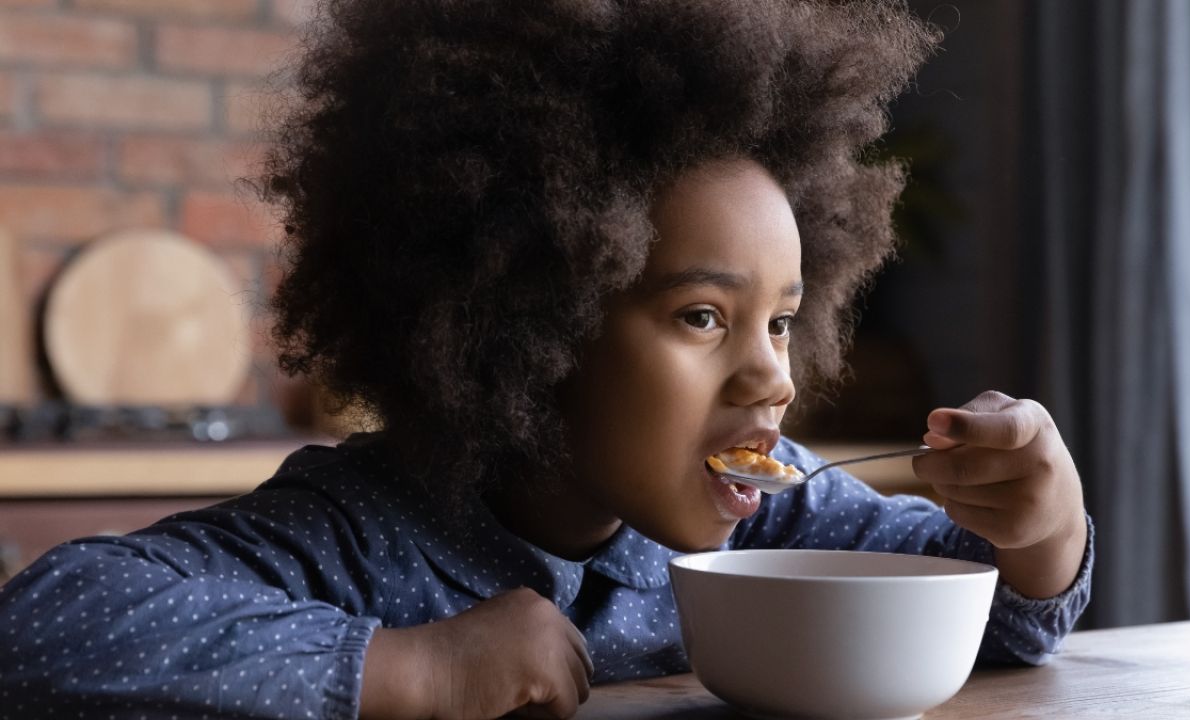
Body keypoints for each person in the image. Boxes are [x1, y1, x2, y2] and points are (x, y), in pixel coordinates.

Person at [0, 1, 1092, 718]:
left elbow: (997, 616)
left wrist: (1037, 526)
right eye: (703, 318)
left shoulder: (786, 513)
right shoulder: (361, 538)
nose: (773, 377)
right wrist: (410, 669)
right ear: (530, 321)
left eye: (779, 322)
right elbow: (41, 626)